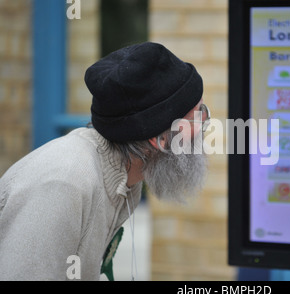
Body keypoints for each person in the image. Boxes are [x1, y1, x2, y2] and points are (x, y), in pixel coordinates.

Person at [0, 42, 210, 281]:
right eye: (198, 114)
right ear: (160, 139)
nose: (206, 123)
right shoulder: (63, 183)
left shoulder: (127, 175)